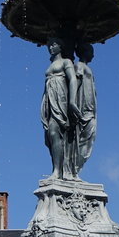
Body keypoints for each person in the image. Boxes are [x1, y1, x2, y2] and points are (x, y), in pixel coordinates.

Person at [40, 38, 77, 181]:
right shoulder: (51, 65)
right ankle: (58, 169)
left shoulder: (66, 62)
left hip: (60, 99)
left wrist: (72, 101)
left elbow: (73, 79)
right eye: (49, 45)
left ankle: (57, 171)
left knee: (55, 131)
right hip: (49, 101)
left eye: (54, 44)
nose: (50, 47)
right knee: (50, 136)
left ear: (61, 46)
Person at [72, 42, 97, 177]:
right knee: (81, 140)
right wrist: (73, 104)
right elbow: (76, 85)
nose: (93, 54)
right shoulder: (79, 66)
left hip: (90, 111)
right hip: (83, 110)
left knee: (88, 140)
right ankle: (73, 169)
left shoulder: (85, 67)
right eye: (91, 51)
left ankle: (75, 169)